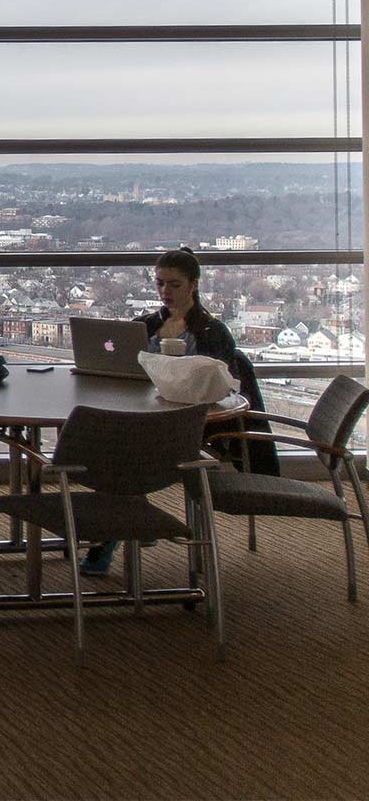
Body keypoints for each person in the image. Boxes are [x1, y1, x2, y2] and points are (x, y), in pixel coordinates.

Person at [80, 245, 276, 577]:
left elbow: (222, 386)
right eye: (160, 284)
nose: (165, 292)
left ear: (193, 285)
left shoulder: (213, 333)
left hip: (192, 424)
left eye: (174, 284)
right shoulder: (142, 326)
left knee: (123, 450)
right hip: (146, 416)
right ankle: (127, 521)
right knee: (123, 442)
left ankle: (110, 534)